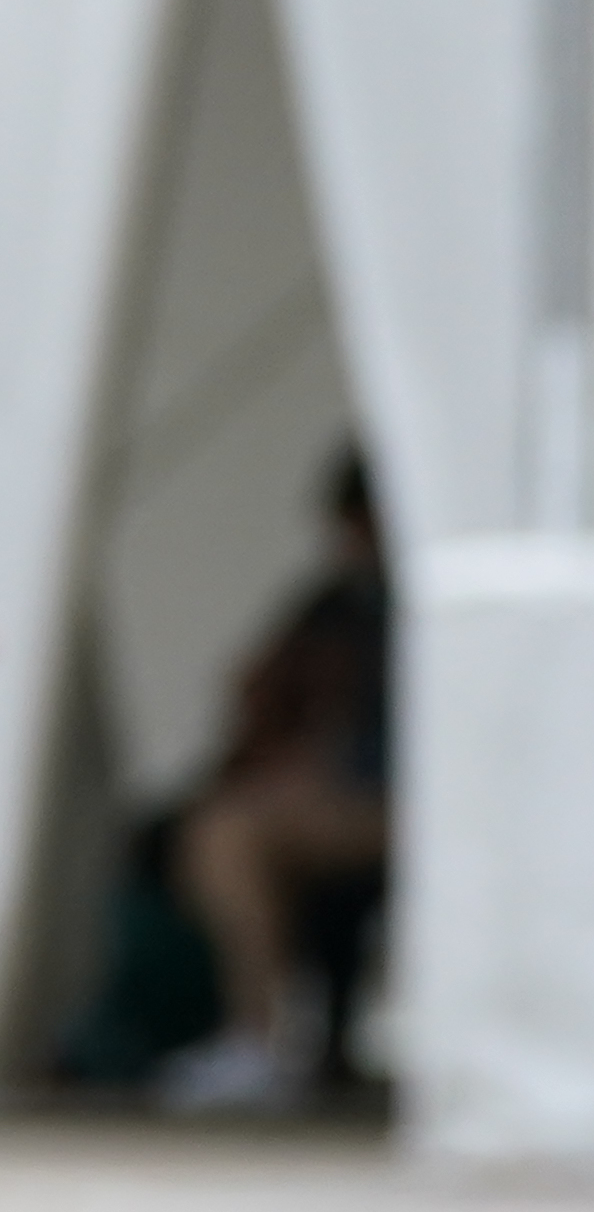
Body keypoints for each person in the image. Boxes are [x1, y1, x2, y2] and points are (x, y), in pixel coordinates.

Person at [150, 450, 393, 1117]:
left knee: (227, 838)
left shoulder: (414, 605)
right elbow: (258, 687)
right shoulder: (339, 603)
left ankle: (258, 1037)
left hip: (393, 800)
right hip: (341, 792)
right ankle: (269, 1035)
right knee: (209, 825)